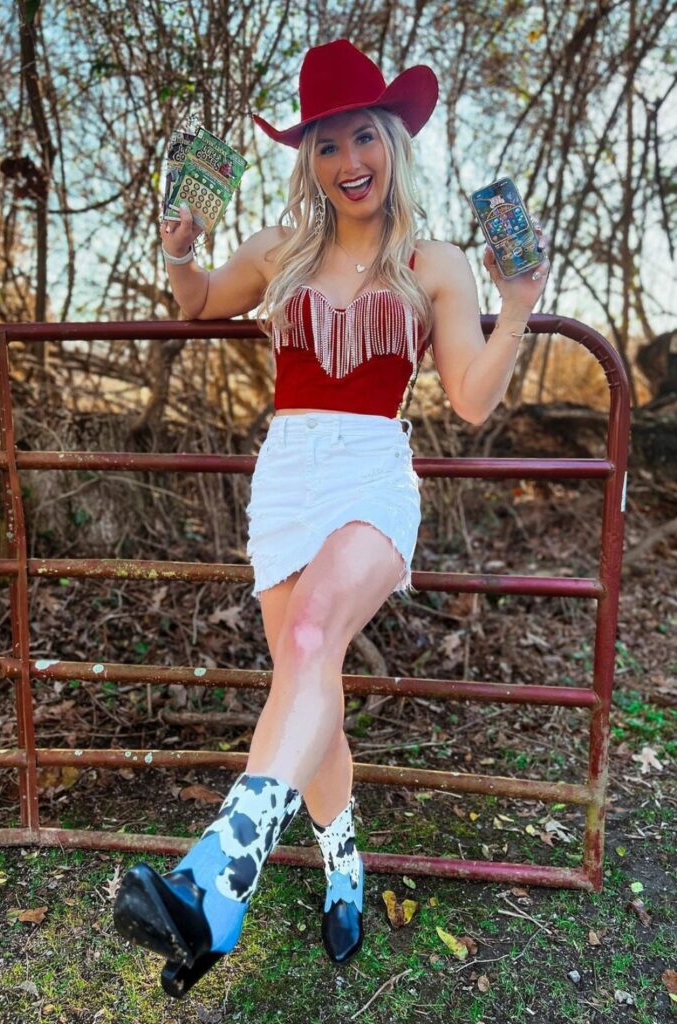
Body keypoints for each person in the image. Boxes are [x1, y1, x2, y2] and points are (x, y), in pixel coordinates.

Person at [113, 38, 550, 998]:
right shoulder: (280, 250)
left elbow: (471, 399)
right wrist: (178, 246)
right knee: (307, 679)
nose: (347, 161)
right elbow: (194, 304)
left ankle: (214, 885)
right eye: (325, 145)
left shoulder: (434, 262)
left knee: (313, 635)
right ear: (306, 159)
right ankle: (341, 859)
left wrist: (515, 306)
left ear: (393, 142)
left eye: (364, 137)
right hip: (286, 476)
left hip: (370, 476)